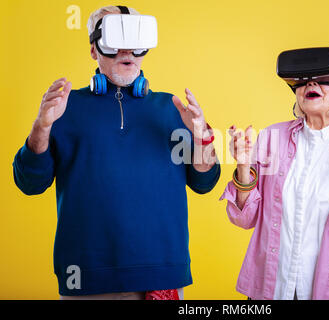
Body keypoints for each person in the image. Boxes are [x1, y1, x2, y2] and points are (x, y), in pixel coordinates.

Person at [12, 5, 220, 300]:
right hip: (84, 278)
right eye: (113, 41)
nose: (127, 52)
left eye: (135, 43)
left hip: (161, 277)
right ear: (94, 50)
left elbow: (204, 183)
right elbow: (29, 184)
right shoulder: (64, 108)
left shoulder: (174, 109)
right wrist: (42, 127)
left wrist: (202, 138)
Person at [220, 59, 329, 300]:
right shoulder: (272, 137)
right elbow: (245, 218)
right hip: (269, 291)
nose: (311, 83)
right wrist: (243, 166)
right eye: (303, 80)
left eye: (323, 78)